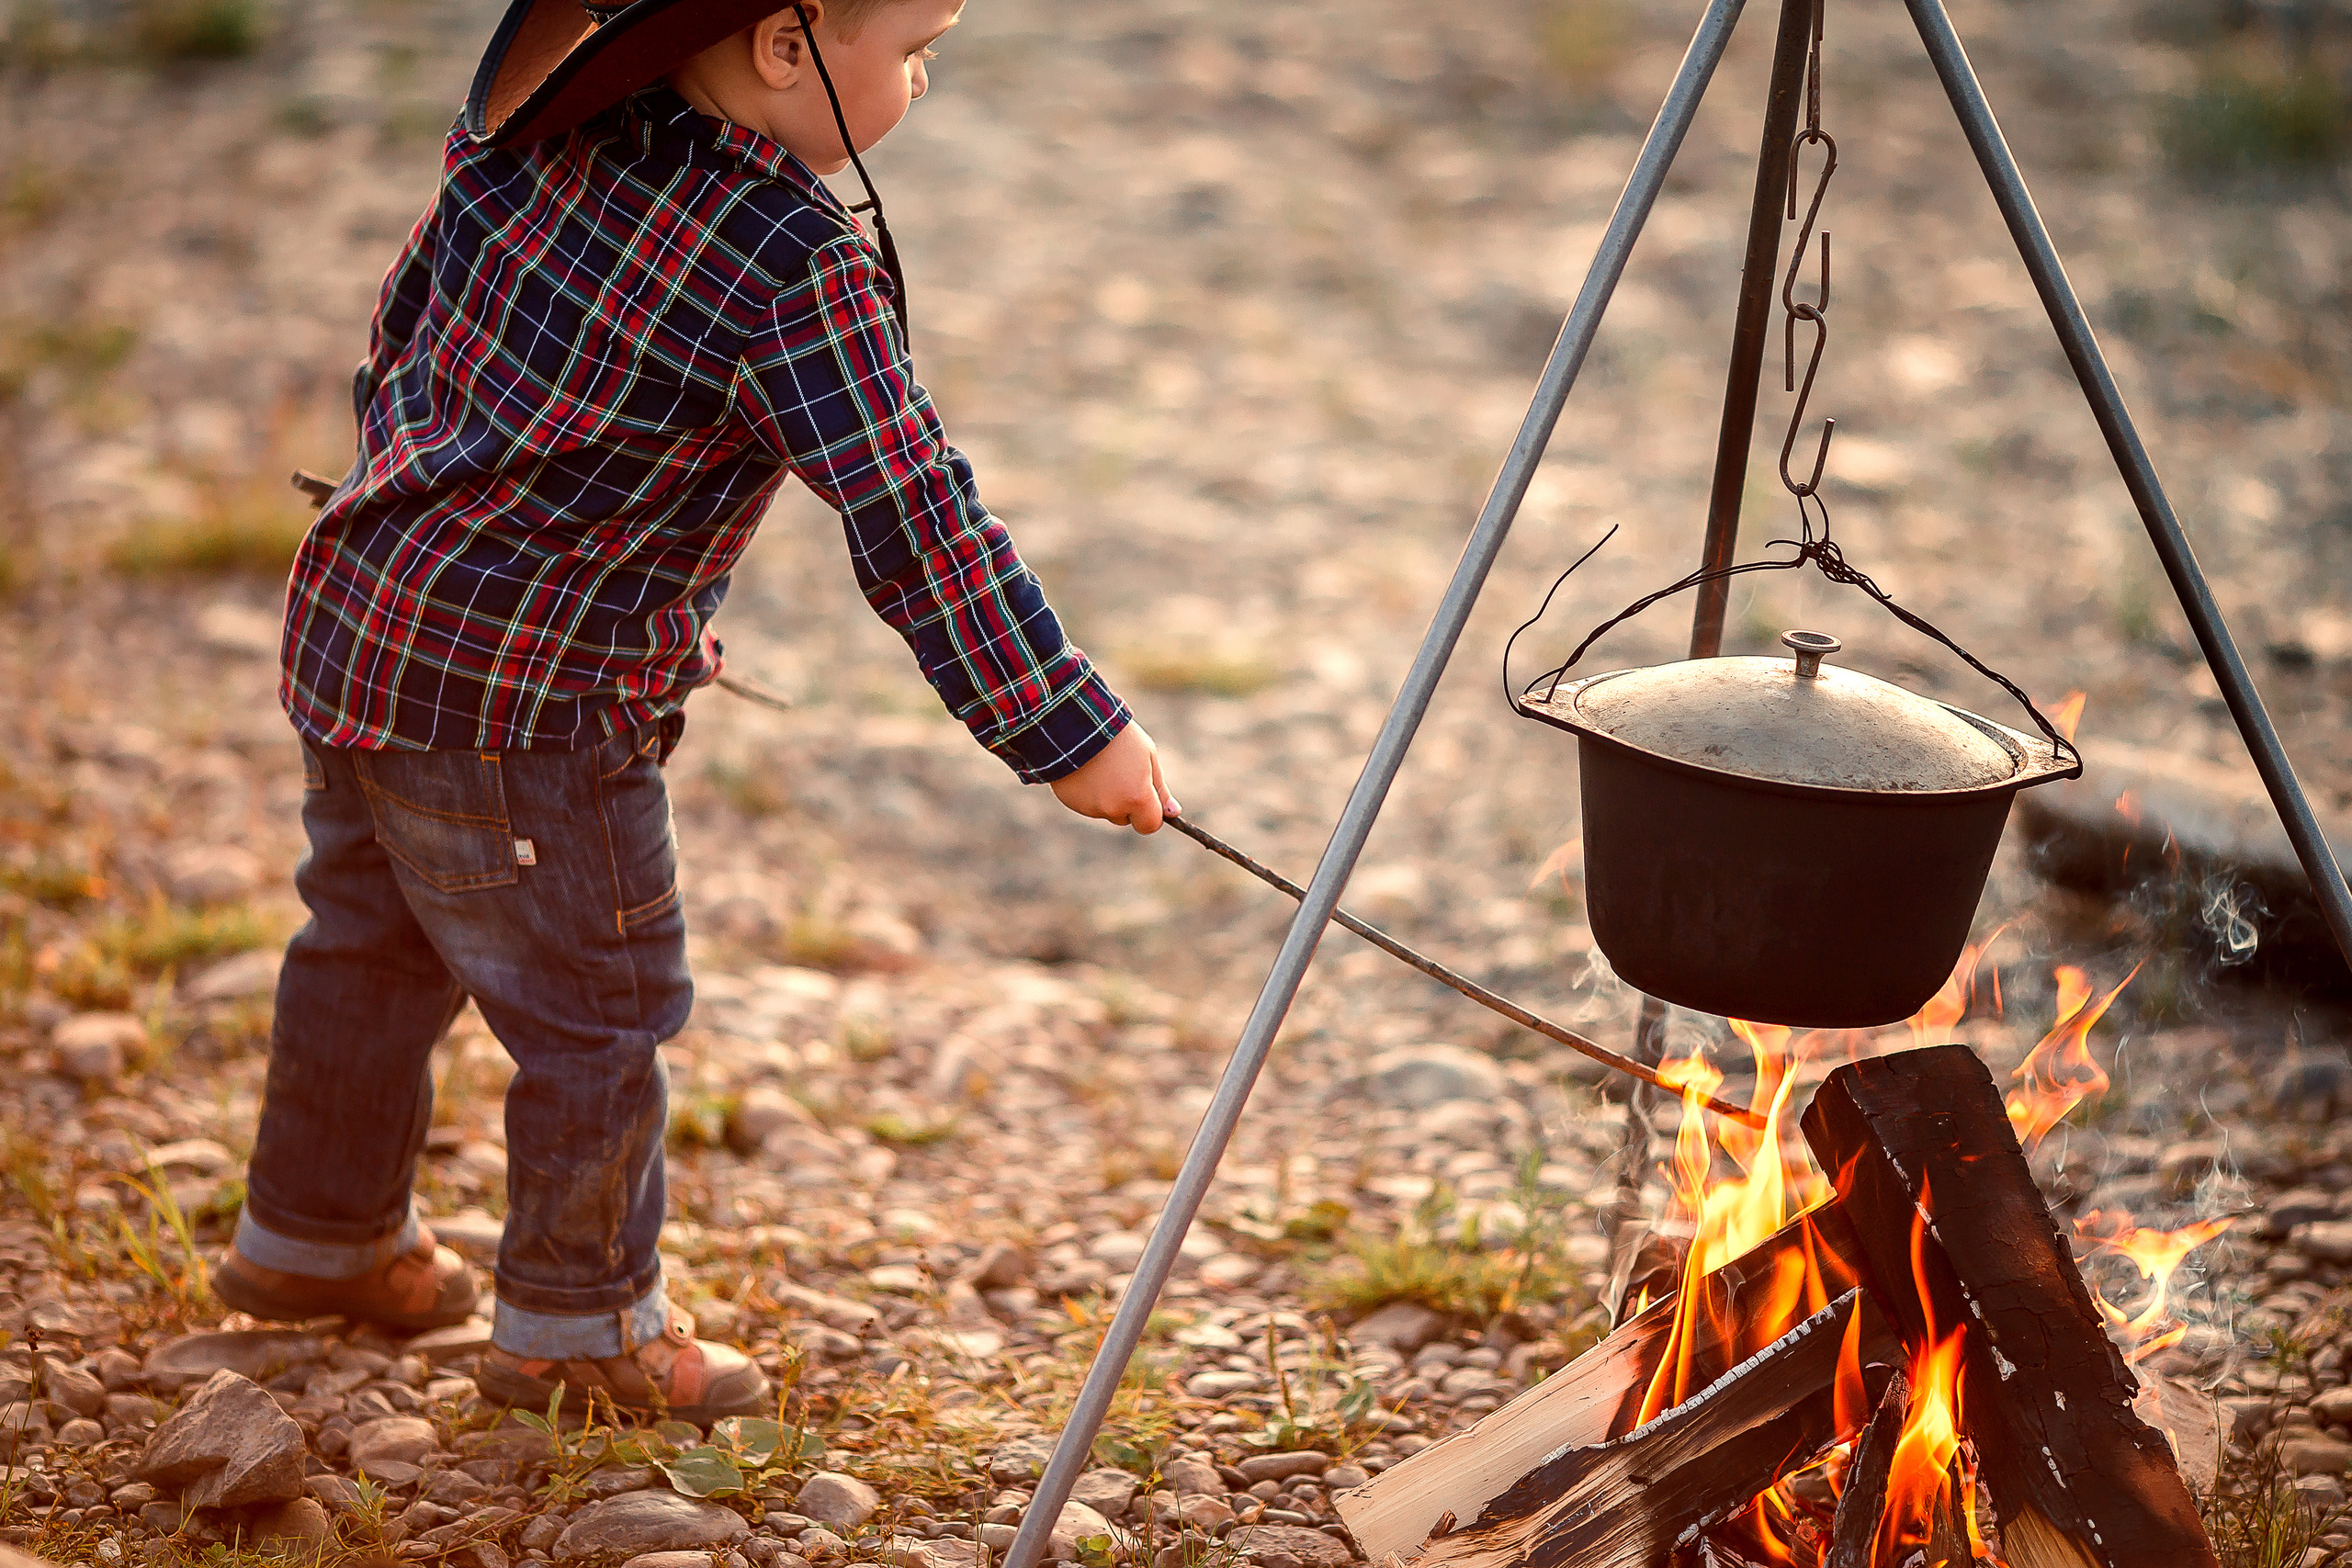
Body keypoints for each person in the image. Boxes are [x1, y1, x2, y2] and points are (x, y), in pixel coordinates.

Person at [215, 0, 1176, 1423]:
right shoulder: (795, 266)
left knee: (369, 942)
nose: (919, 81)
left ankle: (313, 1237)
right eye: (913, 53)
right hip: (530, 712)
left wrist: (470, 532)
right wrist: (1069, 730)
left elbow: (405, 339)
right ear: (789, 51)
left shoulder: (539, 131)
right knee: (599, 1008)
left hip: (360, 621)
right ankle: (578, 1327)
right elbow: (912, 513)